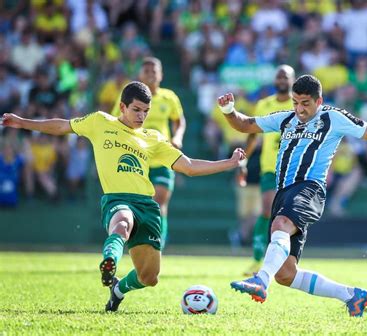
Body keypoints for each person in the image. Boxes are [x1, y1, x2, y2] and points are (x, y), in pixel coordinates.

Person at [1, 81, 246, 312]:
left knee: (149, 277)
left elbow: (190, 166)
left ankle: (118, 289)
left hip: (147, 206)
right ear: (122, 106)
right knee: (123, 223)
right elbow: (61, 126)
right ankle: (109, 261)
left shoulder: (153, 138)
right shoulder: (100, 122)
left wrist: (230, 162)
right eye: (136, 109)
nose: (141, 116)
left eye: (146, 111)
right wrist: (23, 123)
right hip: (117, 198)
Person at [218, 75, 367, 317]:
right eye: (295, 103)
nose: (299, 109)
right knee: (285, 274)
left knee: (280, 224)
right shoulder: (285, 119)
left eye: (305, 103)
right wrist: (228, 110)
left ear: (319, 100)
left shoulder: (332, 117)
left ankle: (260, 280)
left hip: (309, 188)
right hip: (284, 192)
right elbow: (245, 124)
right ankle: (352, 295)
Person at [111, 57, 186, 249]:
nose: (151, 74)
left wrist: (177, 137)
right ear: (139, 75)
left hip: (162, 158)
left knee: (159, 204)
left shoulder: (169, 97)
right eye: (147, 71)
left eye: (154, 71)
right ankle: (137, 243)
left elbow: (179, 120)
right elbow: (115, 121)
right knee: (136, 204)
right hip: (136, 159)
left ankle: (157, 246)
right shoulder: (128, 97)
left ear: (161, 74)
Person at [240, 64, 295, 276]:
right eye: (279, 77)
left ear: (292, 80)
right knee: (266, 210)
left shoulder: (298, 104)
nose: (281, 80)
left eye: (286, 77)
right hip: (270, 168)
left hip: (293, 169)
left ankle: (283, 259)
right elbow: (253, 133)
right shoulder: (264, 104)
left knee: (289, 216)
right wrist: (244, 160)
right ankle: (256, 258)